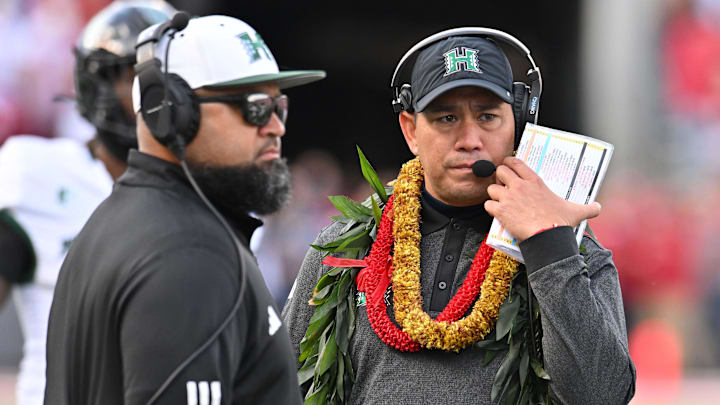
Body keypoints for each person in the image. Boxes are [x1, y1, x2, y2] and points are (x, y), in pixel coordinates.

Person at [282, 29, 636, 404]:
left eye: (487, 116)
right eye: (447, 117)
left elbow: (603, 396)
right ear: (411, 131)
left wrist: (549, 247)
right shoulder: (342, 251)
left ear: (518, 124)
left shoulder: (571, 248)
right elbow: (280, 387)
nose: (469, 138)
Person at [44, 13, 326, 405]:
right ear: (170, 112)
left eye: (279, 106)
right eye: (255, 107)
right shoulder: (194, 253)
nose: (275, 126)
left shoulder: (113, 221)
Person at [0, 2, 175, 404]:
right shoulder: (36, 174)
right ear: (97, 83)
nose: (153, 93)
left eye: (167, 76)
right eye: (136, 75)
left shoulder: (211, 184)